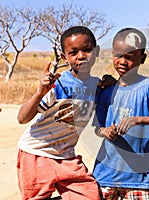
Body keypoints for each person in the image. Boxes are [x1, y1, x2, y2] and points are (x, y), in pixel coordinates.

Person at [17, 26, 110, 200]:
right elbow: (22, 118)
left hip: (66, 155)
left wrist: (111, 83)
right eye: (73, 52)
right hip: (36, 152)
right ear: (64, 57)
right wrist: (40, 92)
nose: (81, 56)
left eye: (87, 50)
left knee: (90, 195)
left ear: (96, 52)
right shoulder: (58, 84)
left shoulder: (98, 87)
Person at [92, 27, 149, 200]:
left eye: (129, 57)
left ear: (142, 58)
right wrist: (105, 131)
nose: (122, 62)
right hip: (106, 175)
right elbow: (97, 127)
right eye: (118, 55)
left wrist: (140, 120)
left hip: (139, 178)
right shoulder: (107, 90)